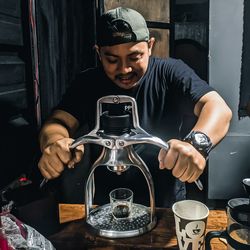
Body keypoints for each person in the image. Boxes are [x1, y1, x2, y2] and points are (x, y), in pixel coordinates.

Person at [38, 7, 232, 207]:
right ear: (98, 52)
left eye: (134, 57)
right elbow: (58, 121)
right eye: (112, 59)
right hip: (107, 205)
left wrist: (196, 145)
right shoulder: (88, 82)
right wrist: (55, 142)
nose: (124, 69)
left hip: (164, 204)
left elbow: (218, 107)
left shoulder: (170, 72)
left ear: (150, 46)